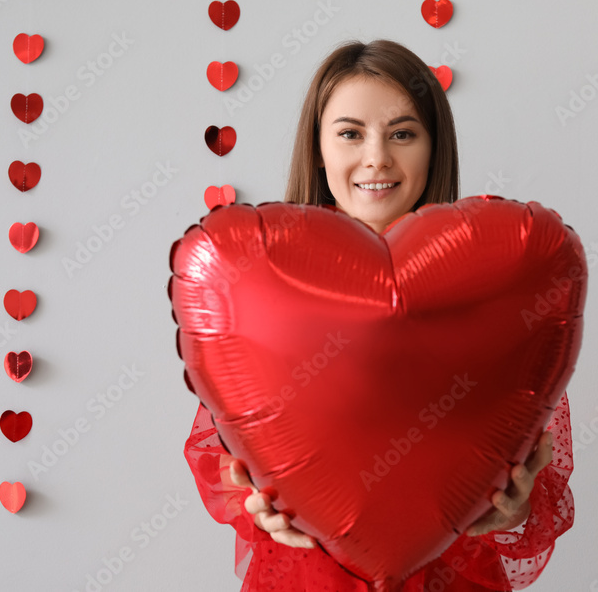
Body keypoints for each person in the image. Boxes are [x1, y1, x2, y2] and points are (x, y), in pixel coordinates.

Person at [184, 39, 574, 591]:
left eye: (403, 133)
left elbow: (534, 455)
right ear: (318, 149)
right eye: (350, 133)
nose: (377, 158)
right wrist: (255, 504)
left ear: (434, 147)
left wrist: (516, 507)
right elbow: (224, 448)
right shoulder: (262, 284)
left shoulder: (495, 278)